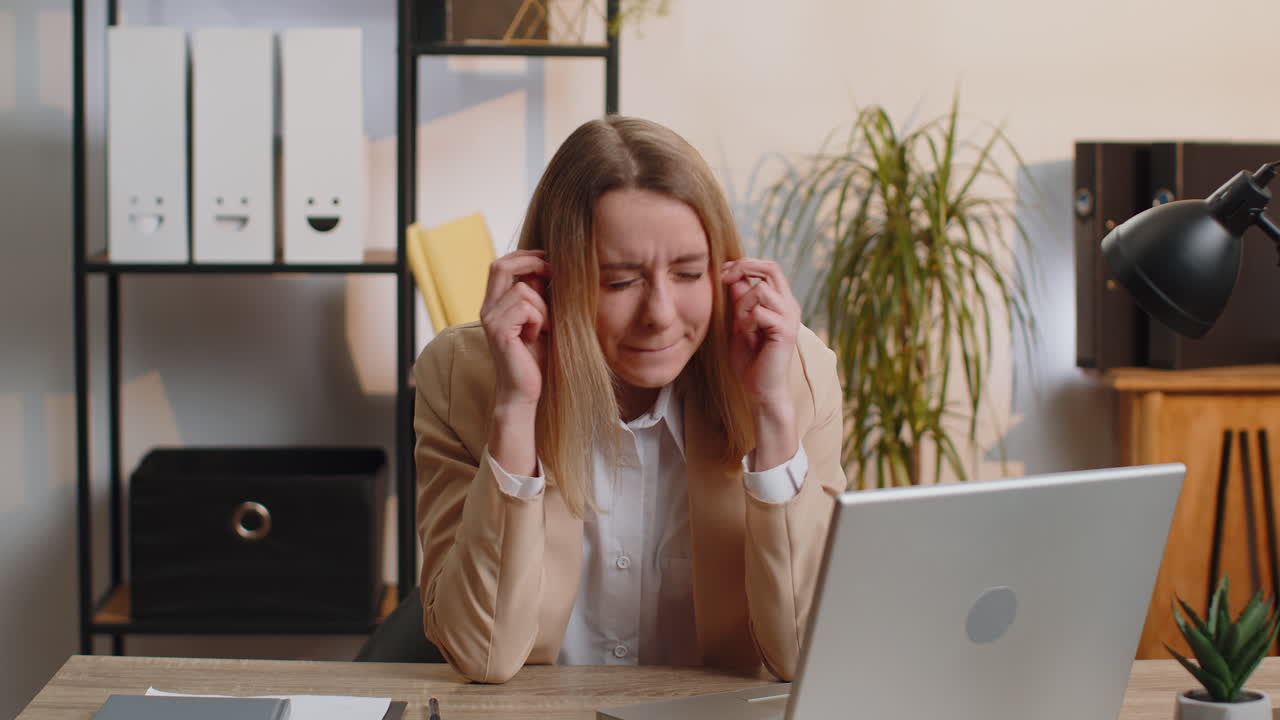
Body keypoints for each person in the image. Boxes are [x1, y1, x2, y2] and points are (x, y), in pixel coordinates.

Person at [413, 115, 844, 684]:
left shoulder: (794, 371)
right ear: (548, 281)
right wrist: (516, 410)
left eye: (689, 274)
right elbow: (482, 653)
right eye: (619, 282)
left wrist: (771, 414)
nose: (660, 314)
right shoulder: (461, 376)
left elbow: (804, 654)